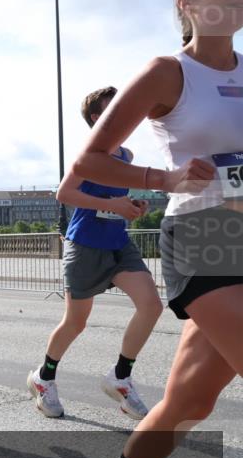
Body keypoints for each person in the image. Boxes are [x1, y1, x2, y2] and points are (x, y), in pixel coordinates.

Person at [73, 0, 242, 458]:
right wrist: (164, 177)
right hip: (201, 238)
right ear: (188, 5)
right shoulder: (169, 72)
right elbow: (87, 164)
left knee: (190, 402)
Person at [26, 87, 161, 420]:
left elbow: (116, 201)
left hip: (118, 242)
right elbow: (65, 192)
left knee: (152, 305)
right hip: (85, 244)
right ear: (97, 118)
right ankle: (44, 378)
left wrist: (131, 206)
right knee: (76, 321)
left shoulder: (126, 156)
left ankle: (121, 376)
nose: (124, 111)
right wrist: (109, 204)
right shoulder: (89, 153)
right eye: (113, 107)